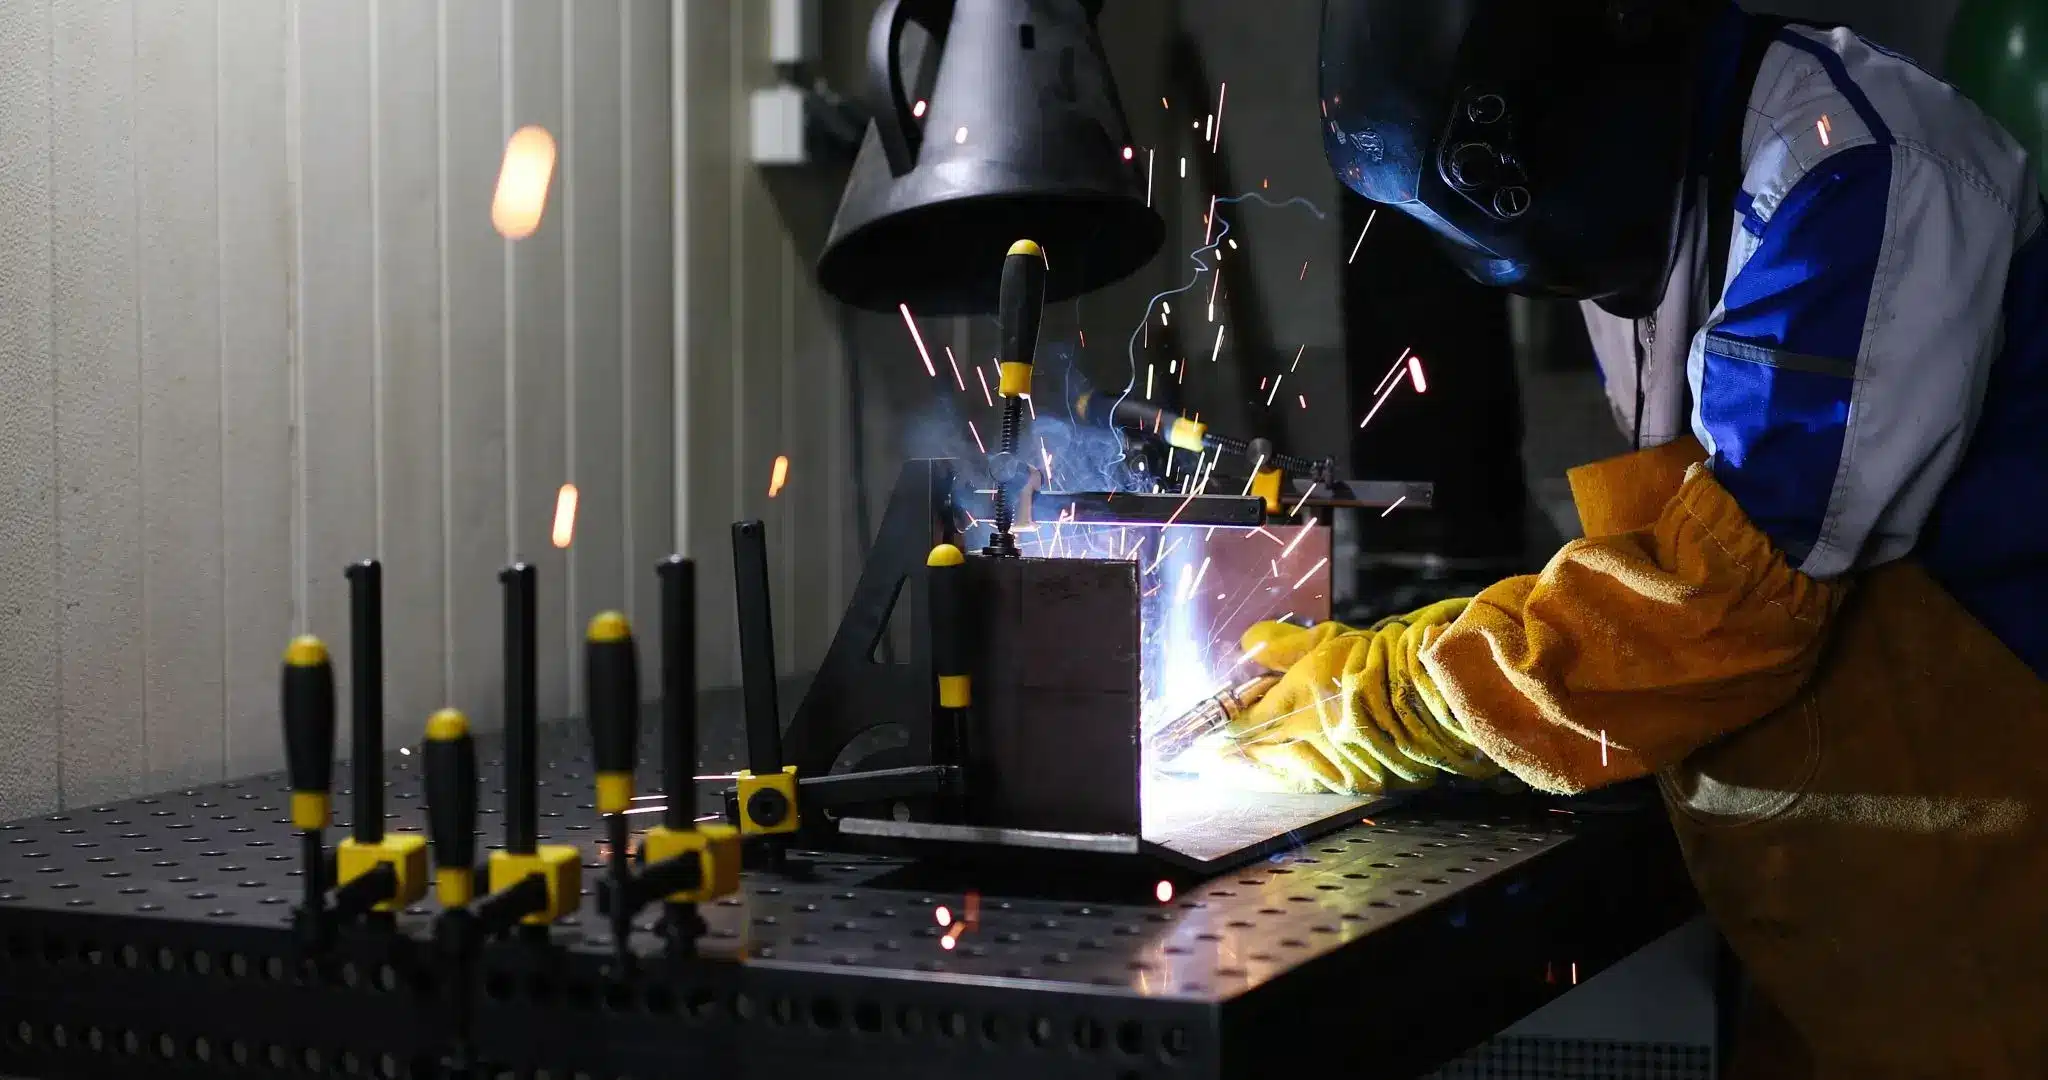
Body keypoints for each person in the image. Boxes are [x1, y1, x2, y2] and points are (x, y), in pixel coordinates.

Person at [1224, 2, 2048, 1075]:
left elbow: (1723, 605)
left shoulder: (1853, 172)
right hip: (1845, 921)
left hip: (2003, 906)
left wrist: (1399, 694)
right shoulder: (1649, 197)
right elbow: (1663, 561)